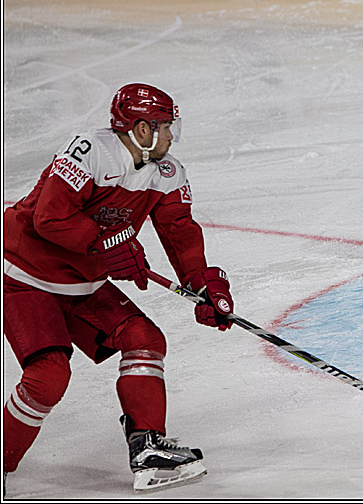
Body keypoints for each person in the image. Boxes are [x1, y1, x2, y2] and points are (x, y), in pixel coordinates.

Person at [3, 83, 234, 493]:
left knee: (145, 337)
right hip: (22, 276)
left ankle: (147, 448)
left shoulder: (167, 172)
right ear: (142, 129)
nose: (171, 136)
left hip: (82, 283)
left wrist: (202, 285)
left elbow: (179, 232)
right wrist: (107, 244)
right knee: (49, 376)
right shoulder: (90, 151)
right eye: (165, 127)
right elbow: (49, 219)